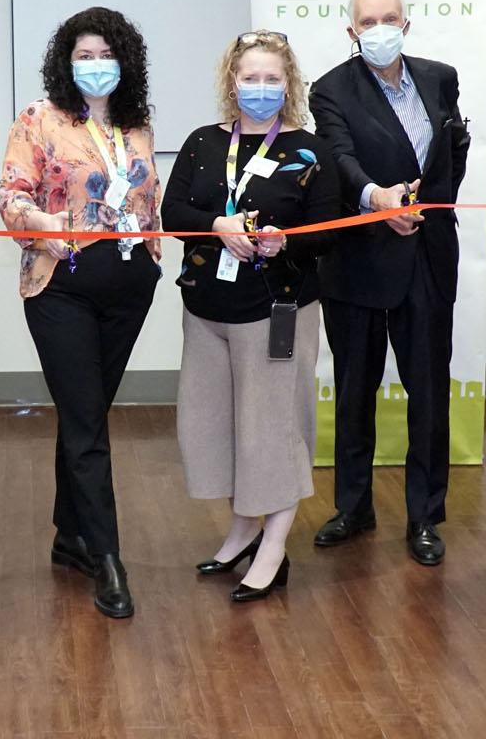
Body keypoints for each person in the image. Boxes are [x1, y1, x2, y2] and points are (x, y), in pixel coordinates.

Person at [163, 31, 340, 602]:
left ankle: (273, 546)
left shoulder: (312, 149)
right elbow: (174, 211)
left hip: (276, 310)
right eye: (249, 78)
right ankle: (242, 529)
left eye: (271, 79)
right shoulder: (201, 142)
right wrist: (218, 225)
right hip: (208, 310)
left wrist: (281, 241)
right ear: (230, 81)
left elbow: (326, 232)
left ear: (288, 85)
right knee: (217, 425)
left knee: (272, 431)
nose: (259, 89)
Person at [0, 7, 161, 619]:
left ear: (126, 61)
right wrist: (44, 222)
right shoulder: (39, 120)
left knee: (84, 412)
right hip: (60, 285)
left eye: (106, 55)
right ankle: (108, 559)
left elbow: (148, 200)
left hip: (129, 286)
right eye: (83, 57)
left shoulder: (136, 122)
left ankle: (70, 535)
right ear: (66, 64)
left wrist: (149, 259)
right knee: (89, 423)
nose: (96, 67)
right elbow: (11, 199)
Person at [308, 0, 470, 564]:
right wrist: (379, 201)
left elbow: (453, 151)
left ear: (407, 23)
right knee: (355, 390)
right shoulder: (329, 89)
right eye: (367, 22)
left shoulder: (440, 77)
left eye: (389, 19)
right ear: (351, 31)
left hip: (426, 255)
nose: (379, 29)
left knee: (428, 389)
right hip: (357, 259)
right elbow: (340, 159)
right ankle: (353, 507)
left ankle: (425, 516)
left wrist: (425, 201)